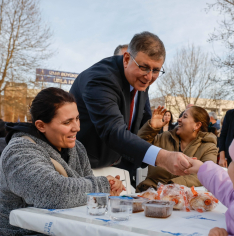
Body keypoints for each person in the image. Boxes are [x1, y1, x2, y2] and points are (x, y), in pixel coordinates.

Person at [0, 88, 137, 236]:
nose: (77, 127)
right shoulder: (19, 151)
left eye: (77, 118)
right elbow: (53, 193)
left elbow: (86, 198)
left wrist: (104, 191)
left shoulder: (77, 148)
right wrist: (102, 185)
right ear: (41, 125)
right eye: (67, 122)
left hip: (69, 234)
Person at [70, 31, 192, 179]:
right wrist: (162, 157)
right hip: (84, 169)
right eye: (144, 67)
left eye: (156, 70)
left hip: (119, 168)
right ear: (127, 59)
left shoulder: (140, 81)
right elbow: (113, 131)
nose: (149, 77)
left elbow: (143, 123)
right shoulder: (100, 79)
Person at [136, 106, 218, 191]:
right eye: (181, 116)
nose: (179, 119)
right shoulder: (164, 137)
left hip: (183, 199)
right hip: (149, 194)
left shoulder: (209, 147)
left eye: (185, 116)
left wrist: (171, 186)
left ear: (197, 125)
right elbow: (137, 148)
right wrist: (151, 128)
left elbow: (205, 174)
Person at [114, 43, 152, 127]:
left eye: (132, 60)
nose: (127, 64)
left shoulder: (143, 84)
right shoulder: (108, 85)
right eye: (124, 59)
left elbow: (146, 116)